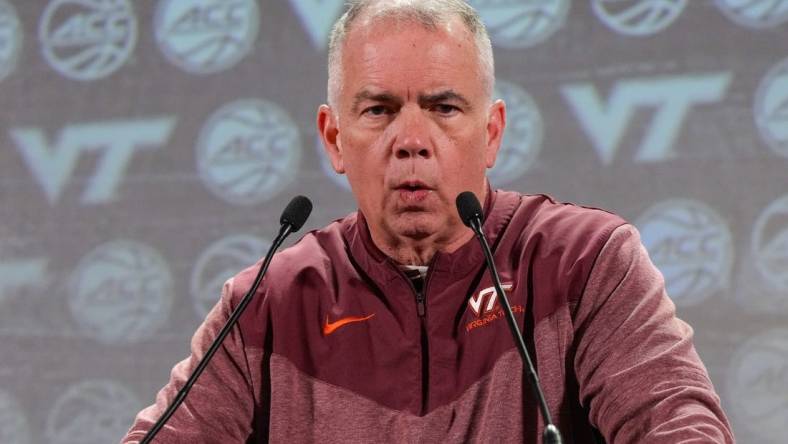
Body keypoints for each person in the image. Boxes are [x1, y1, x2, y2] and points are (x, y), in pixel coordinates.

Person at [123, 0, 734, 442]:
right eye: (379, 110)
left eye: (443, 108)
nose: (411, 140)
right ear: (334, 138)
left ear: (490, 132)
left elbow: (680, 426)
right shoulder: (268, 304)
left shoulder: (585, 261)